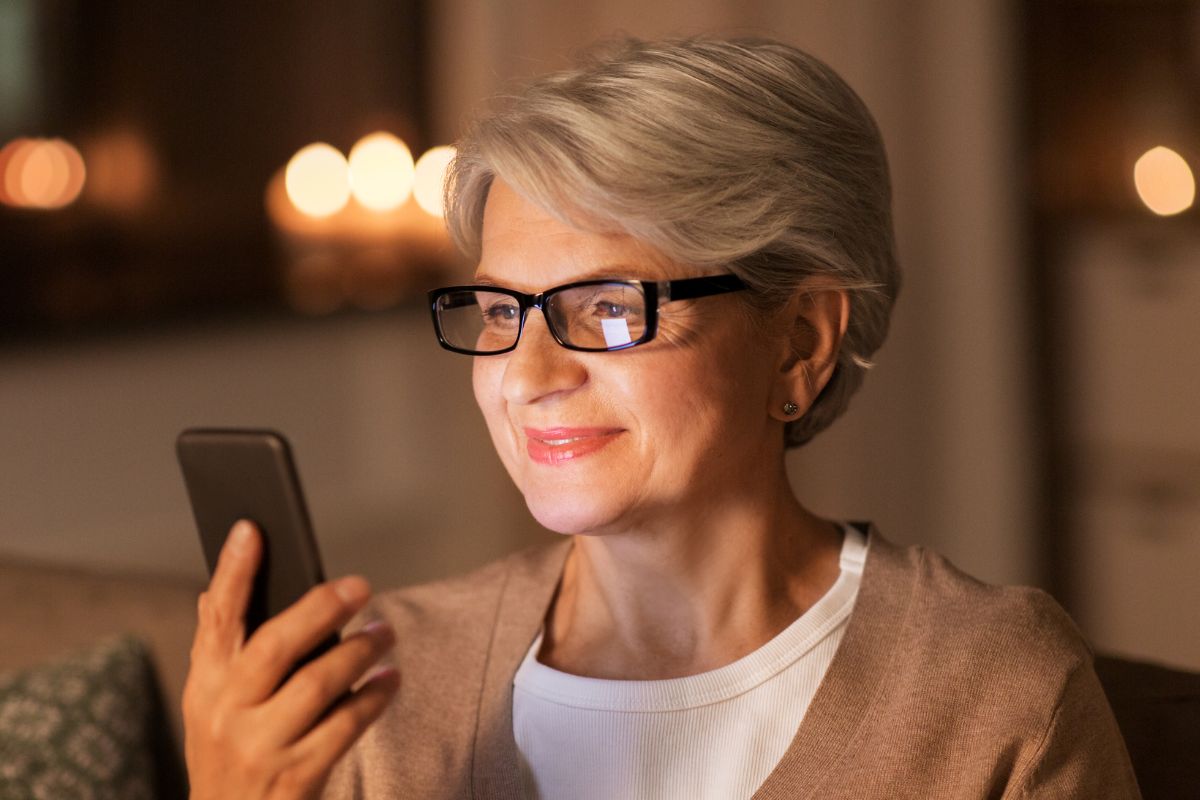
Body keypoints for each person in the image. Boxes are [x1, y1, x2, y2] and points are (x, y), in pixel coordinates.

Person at [182, 37, 1142, 799]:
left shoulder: (993, 692)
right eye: (501, 310)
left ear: (800, 340)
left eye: (606, 308)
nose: (526, 376)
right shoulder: (378, 687)